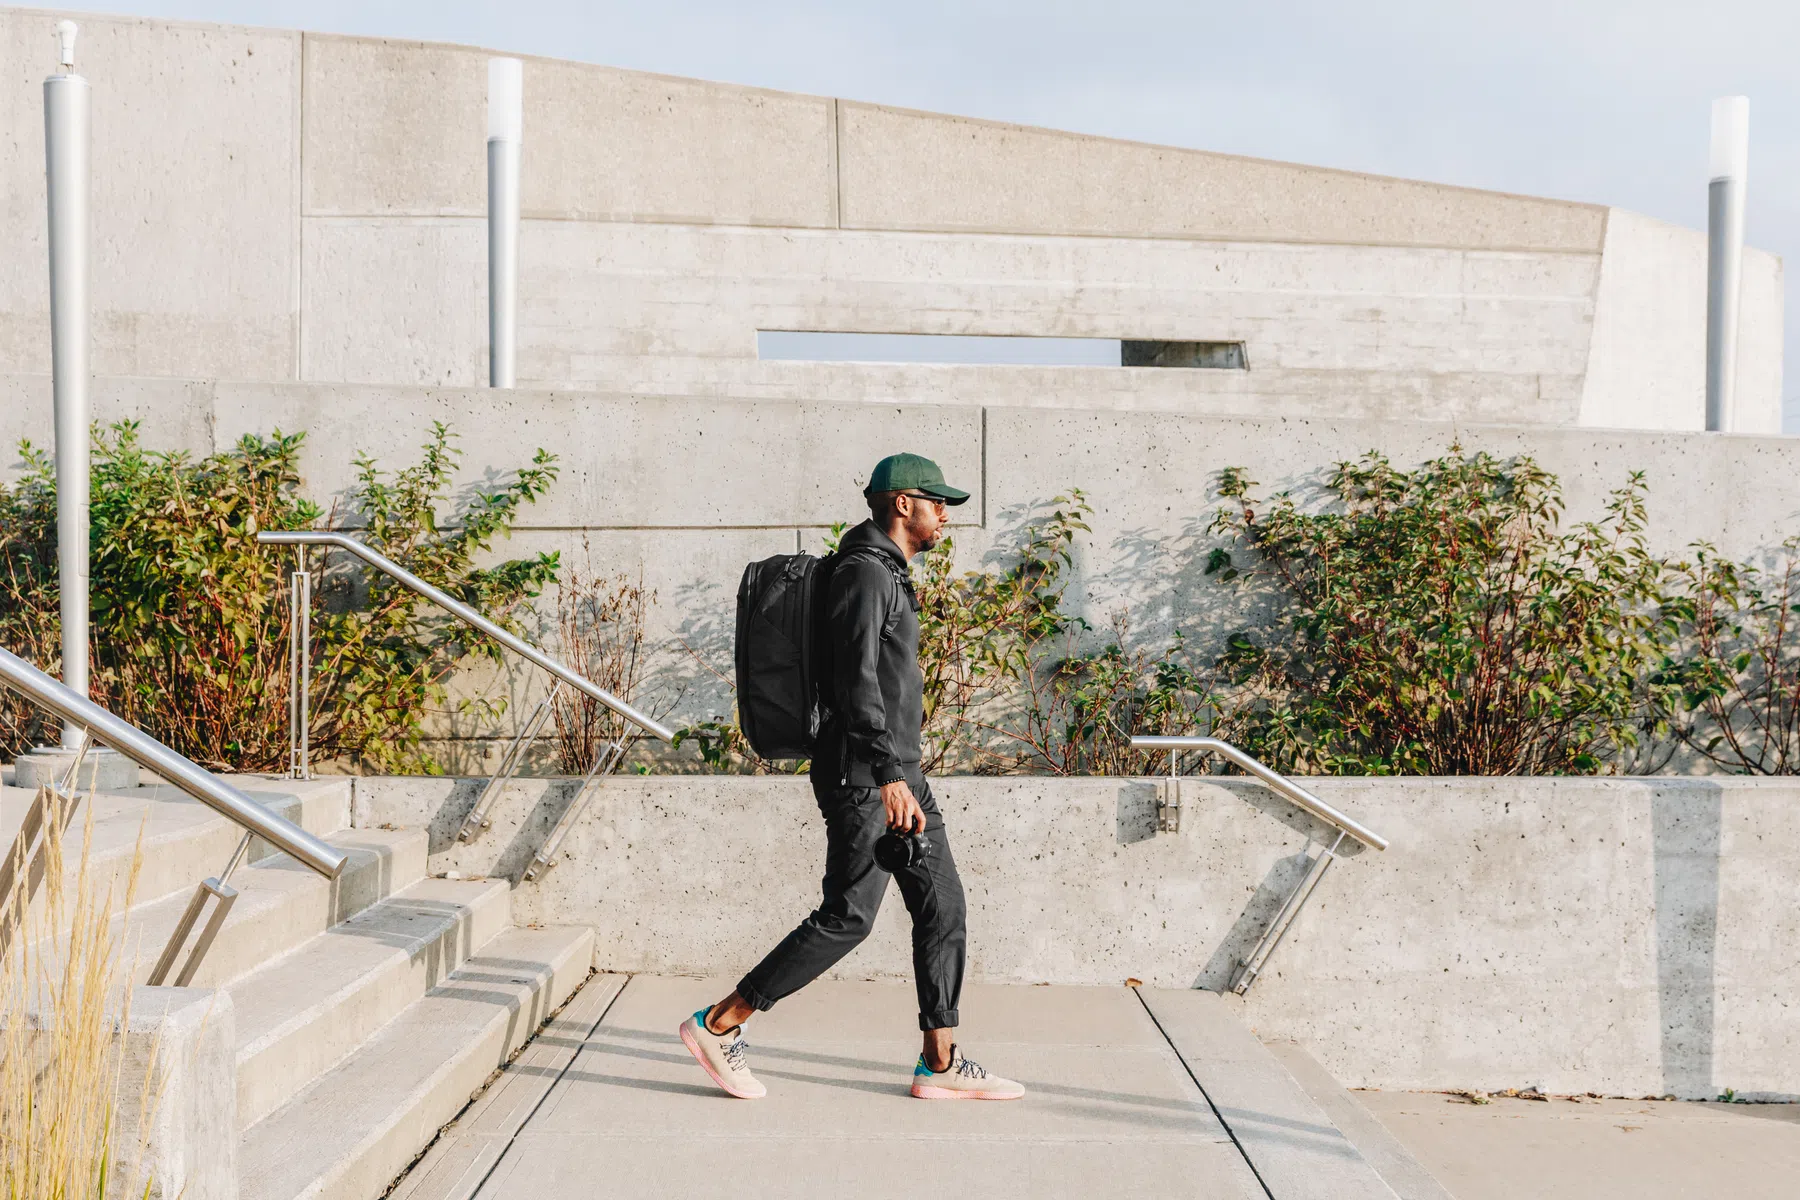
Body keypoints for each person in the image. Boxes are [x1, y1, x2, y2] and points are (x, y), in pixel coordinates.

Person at [679, 452, 1025, 1102]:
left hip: (898, 773)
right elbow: (852, 680)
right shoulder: (865, 575)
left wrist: (903, 772)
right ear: (903, 505)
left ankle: (940, 1065)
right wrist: (889, 775)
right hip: (866, 777)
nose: (944, 513)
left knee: (943, 908)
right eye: (935, 500)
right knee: (848, 916)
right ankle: (719, 1023)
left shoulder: (885, 572)